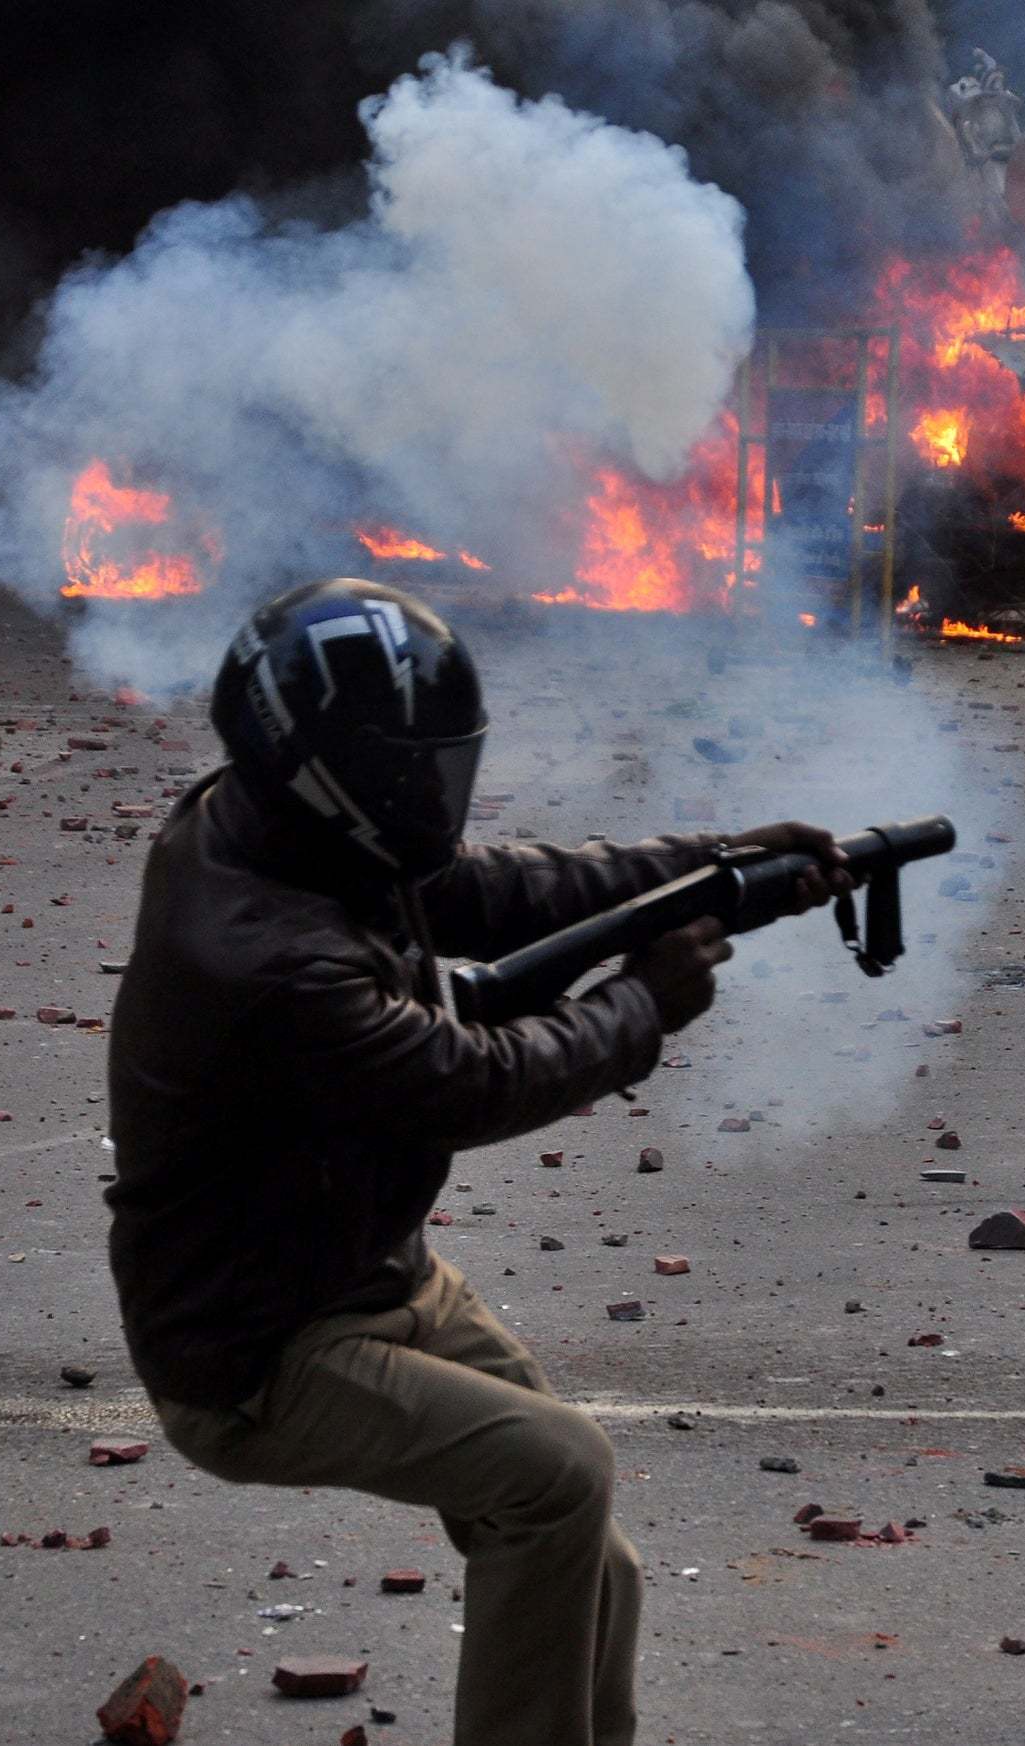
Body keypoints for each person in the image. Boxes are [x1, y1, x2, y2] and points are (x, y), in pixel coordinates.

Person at [105, 578, 848, 1746]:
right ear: (333, 777)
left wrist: (715, 864)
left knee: (590, 1549)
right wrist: (643, 1005)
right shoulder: (264, 958)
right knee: (555, 1474)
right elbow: (478, 1079)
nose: (435, 800)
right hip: (256, 1350)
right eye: (414, 773)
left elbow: (485, 890)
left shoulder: (276, 825)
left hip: (364, 1278)